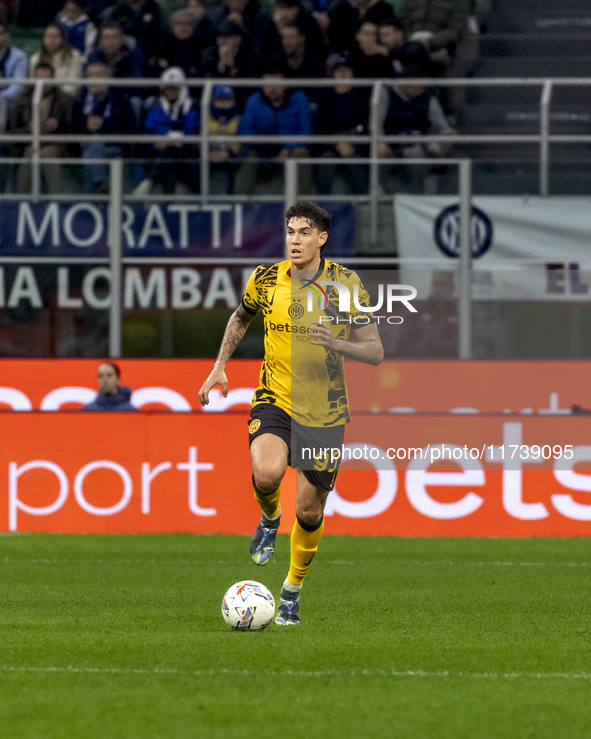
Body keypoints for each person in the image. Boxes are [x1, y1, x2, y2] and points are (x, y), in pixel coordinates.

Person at [199, 201, 383, 626]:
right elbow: (240, 317)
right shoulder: (266, 278)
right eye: (290, 231)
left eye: (304, 232)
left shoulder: (345, 283)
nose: (294, 240)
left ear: (321, 238)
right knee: (266, 475)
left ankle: (291, 593)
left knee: (310, 512)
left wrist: (340, 345)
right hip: (274, 399)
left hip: (326, 412)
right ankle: (268, 518)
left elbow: (375, 351)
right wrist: (219, 367)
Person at [234, 68, 312, 194]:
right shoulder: (254, 100)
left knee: (301, 153)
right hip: (262, 151)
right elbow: (244, 132)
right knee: (247, 154)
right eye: (268, 84)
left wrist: (288, 147)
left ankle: (299, 208)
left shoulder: (299, 99)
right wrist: (265, 144)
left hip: (289, 151)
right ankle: (241, 206)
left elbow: (305, 132)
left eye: (276, 84)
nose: (272, 89)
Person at [11, 61, 76, 194]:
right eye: (39, 79)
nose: (43, 83)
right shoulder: (22, 99)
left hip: (56, 143)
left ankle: (56, 202)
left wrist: (58, 126)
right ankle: (20, 202)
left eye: (47, 79)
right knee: (30, 153)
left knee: (47, 153)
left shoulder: (66, 100)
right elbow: (13, 132)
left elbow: (73, 131)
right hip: (29, 143)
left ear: (53, 79)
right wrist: (28, 129)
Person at [313, 53, 369, 194]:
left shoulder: (362, 100)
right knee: (327, 159)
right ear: (334, 75)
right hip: (330, 144)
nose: (343, 74)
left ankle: (364, 199)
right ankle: (321, 203)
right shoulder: (325, 99)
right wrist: (336, 143)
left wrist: (351, 143)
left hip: (354, 143)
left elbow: (366, 127)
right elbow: (319, 130)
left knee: (355, 159)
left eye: (346, 70)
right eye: (339, 71)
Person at [139, 67, 200, 195]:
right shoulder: (156, 108)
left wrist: (180, 140)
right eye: (168, 88)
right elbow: (148, 135)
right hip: (162, 154)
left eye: (174, 88)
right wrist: (157, 142)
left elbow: (196, 135)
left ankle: (149, 182)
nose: (171, 92)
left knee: (171, 151)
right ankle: (168, 202)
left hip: (187, 155)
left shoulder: (193, 108)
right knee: (168, 156)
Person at [78, 60, 136, 192]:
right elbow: (74, 129)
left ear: (109, 78)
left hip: (113, 148)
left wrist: (102, 129)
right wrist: (87, 129)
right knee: (91, 147)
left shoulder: (121, 100)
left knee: (92, 150)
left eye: (100, 74)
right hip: (85, 146)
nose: (95, 79)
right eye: (91, 75)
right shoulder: (81, 100)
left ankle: (93, 197)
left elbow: (128, 131)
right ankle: (101, 189)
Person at [29, 23, 84, 98]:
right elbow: (33, 86)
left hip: (66, 100)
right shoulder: (35, 59)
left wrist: (55, 100)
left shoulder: (74, 56)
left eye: (55, 37)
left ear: (63, 39)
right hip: (41, 99)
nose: (51, 40)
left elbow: (72, 87)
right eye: (48, 36)